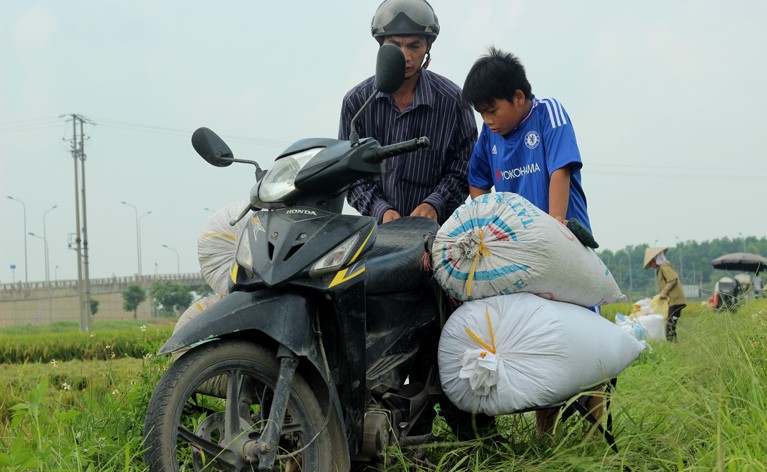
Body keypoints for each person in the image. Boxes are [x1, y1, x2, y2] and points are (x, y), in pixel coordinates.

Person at [461, 47, 602, 439]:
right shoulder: (489, 137)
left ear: (519, 98)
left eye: (492, 110)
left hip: (564, 247)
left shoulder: (548, 113)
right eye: (482, 113)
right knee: (540, 336)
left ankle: (594, 432)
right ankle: (545, 434)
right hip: (520, 256)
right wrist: (485, 223)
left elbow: (560, 169)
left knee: (585, 335)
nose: (488, 121)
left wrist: (556, 227)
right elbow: (477, 181)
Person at [339, 0, 478, 226]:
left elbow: (465, 167)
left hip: (435, 235)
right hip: (376, 235)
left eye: (414, 46)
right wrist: (380, 209)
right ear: (381, 46)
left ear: (428, 47)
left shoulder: (453, 101)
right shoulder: (357, 102)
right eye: (395, 45)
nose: (405, 56)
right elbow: (348, 175)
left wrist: (435, 203)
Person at [643, 247, 687, 341]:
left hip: (676, 299)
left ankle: (672, 342)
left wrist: (664, 293)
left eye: (651, 263)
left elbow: (672, 280)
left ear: (655, 260)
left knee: (670, 322)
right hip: (672, 300)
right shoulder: (661, 268)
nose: (652, 266)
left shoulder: (664, 266)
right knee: (671, 321)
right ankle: (672, 341)